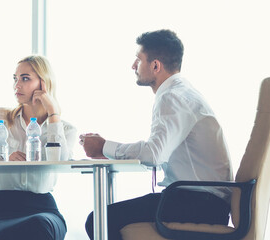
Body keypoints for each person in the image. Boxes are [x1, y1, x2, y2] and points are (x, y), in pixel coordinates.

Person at [80, 29, 233, 240]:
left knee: (99, 220)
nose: (133, 66)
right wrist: (108, 150)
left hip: (199, 203)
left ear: (155, 65)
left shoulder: (172, 96)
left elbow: (154, 155)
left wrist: (104, 146)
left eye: (138, 59)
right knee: (105, 218)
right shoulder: (182, 92)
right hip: (205, 202)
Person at [0, 55, 77, 240]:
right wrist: (3, 158)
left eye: (25, 78)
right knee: (7, 233)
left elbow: (62, 161)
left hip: (44, 209)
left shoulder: (65, 129)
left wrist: (53, 113)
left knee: (39, 225)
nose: (17, 85)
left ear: (44, 83)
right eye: (15, 78)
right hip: (0, 210)